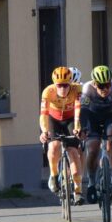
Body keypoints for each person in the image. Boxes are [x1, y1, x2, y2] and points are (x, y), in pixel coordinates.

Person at [79, 65, 112, 203]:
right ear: (95, 84)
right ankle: (91, 184)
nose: (105, 89)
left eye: (107, 85)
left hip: (111, 116)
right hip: (93, 117)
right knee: (93, 148)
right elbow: (84, 111)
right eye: (101, 86)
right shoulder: (87, 89)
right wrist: (83, 128)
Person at [39, 67, 85, 204]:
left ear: (70, 83)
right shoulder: (48, 91)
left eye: (66, 85)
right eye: (60, 85)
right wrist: (45, 131)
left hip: (71, 120)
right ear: (55, 84)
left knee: (73, 151)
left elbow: (78, 109)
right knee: (53, 146)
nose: (63, 89)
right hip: (54, 120)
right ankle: (54, 175)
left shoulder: (77, 89)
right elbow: (43, 114)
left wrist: (77, 128)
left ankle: (78, 190)